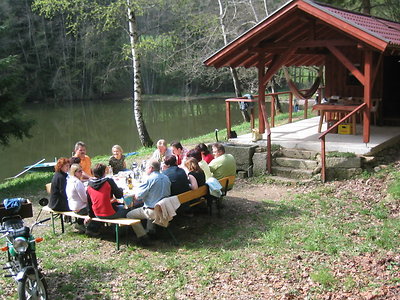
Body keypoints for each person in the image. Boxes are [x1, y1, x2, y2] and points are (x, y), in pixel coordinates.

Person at [126, 160, 171, 245]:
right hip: (165, 209)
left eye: (146, 168)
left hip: (153, 211)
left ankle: (142, 237)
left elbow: (138, 196)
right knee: (149, 204)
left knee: (130, 214)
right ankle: (151, 231)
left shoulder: (149, 179)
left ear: (151, 168)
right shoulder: (166, 177)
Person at [66, 164, 88, 232]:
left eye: (82, 171)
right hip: (80, 208)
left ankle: (80, 223)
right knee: (96, 207)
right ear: (74, 172)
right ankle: (93, 226)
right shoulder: (77, 183)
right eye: (79, 171)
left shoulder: (69, 180)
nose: (81, 173)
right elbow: (85, 199)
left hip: (72, 206)